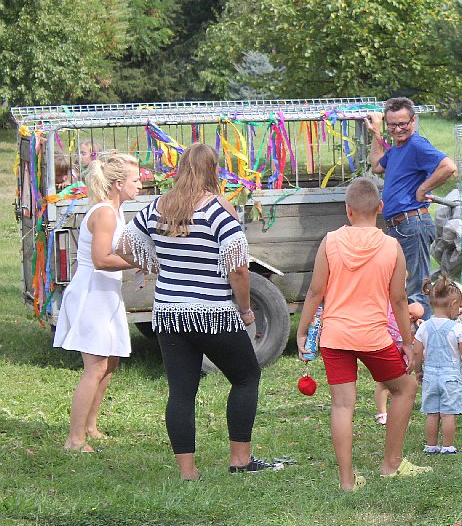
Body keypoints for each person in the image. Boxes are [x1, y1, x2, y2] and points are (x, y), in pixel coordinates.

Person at [120, 143, 276, 480]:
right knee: (246, 376)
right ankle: (240, 460)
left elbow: (125, 245)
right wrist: (247, 310)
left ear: (180, 169)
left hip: (169, 313)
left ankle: (188, 472)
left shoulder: (158, 206)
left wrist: (160, 262)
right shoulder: (218, 209)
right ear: (213, 170)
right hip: (212, 312)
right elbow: (238, 268)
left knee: (181, 391)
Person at [296, 177, 432, 490]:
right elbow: (399, 300)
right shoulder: (391, 247)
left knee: (343, 405)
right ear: (380, 208)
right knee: (406, 388)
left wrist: (303, 331)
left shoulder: (330, 242)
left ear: (348, 210)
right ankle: (391, 464)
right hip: (374, 337)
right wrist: (408, 344)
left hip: (335, 336)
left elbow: (316, 291)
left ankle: (347, 481)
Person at [54, 152, 143, 452]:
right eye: (136, 179)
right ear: (118, 184)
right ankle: (74, 439)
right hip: (91, 295)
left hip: (106, 295)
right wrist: (136, 262)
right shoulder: (105, 213)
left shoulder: (117, 211)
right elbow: (101, 260)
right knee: (95, 366)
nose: (141, 184)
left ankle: (90, 427)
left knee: (111, 361)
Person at [367, 97, 457, 318]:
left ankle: (423, 344)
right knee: (404, 287)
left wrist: (422, 189)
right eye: (392, 125)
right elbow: (377, 165)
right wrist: (376, 133)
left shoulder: (416, 145)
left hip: (412, 224)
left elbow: (448, 167)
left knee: (417, 291)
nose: (398, 129)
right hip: (400, 226)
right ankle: (411, 341)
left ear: (413, 121)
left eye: (403, 124)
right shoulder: (398, 148)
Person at [414, 275, 462, 456]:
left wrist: (418, 371)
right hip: (451, 379)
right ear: (453, 304)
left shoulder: (424, 327)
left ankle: (431, 446)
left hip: (430, 376)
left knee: (432, 413)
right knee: (448, 414)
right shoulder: (457, 328)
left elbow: (417, 352)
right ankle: (447, 446)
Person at [372, 301, 425, 426]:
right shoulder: (391, 313)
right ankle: (381, 413)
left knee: (397, 385)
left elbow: (412, 339)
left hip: (400, 358)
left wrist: (418, 324)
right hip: (385, 354)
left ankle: (394, 411)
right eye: (410, 313)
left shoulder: (411, 325)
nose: (411, 317)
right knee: (383, 384)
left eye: (415, 317)